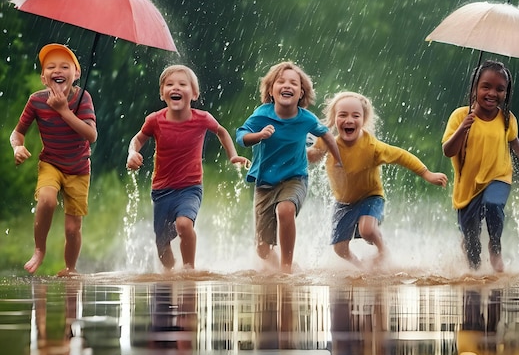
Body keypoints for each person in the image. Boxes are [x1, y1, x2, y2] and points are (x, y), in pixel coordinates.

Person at [126, 65, 248, 270]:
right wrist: (132, 152)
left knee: (184, 225)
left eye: (183, 84)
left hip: (190, 188)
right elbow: (137, 139)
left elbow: (221, 132)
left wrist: (233, 155)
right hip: (162, 190)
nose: (176, 88)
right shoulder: (155, 120)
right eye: (170, 84)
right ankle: (170, 273)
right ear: (162, 93)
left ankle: (189, 269)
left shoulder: (202, 119)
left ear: (194, 94)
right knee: (162, 243)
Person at [308, 91, 448, 268]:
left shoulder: (372, 147)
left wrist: (427, 174)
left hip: (370, 196)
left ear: (363, 120)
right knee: (339, 248)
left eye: (355, 115)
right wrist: (299, 150)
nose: (349, 120)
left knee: (366, 230)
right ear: (334, 119)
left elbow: (401, 156)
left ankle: (383, 250)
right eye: (342, 115)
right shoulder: (327, 141)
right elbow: (313, 156)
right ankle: (360, 267)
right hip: (343, 202)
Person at [236, 61, 342, 273]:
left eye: (293, 83)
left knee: (286, 209)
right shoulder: (262, 114)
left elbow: (326, 135)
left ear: (301, 92)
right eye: (281, 82)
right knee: (262, 249)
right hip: (264, 183)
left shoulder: (306, 119)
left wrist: (338, 160)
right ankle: (285, 268)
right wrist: (259, 135)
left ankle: (286, 268)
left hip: (295, 178)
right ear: (271, 90)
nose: (287, 86)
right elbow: (241, 136)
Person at [10, 43, 97, 276]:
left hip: (79, 169)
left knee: (72, 228)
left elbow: (91, 135)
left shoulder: (83, 98)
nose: (57, 71)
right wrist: (17, 147)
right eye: (51, 67)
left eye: (64, 66)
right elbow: (17, 132)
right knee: (47, 200)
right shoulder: (37, 101)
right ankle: (39, 249)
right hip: (51, 163)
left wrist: (64, 111)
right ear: (43, 77)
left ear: (76, 74)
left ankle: (70, 268)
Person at [442, 60, 519, 272]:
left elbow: (517, 145)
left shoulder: (507, 119)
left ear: (506, 93)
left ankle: (495, 247)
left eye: (500, 89)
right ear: (475, 89)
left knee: (493, 205)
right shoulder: (460, 116)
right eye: (486, 87)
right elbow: (448, 150)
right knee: (472, 242)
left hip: (499, 177)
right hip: (469, 186)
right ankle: (474, 271)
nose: (492, 93)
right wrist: (463, 128)